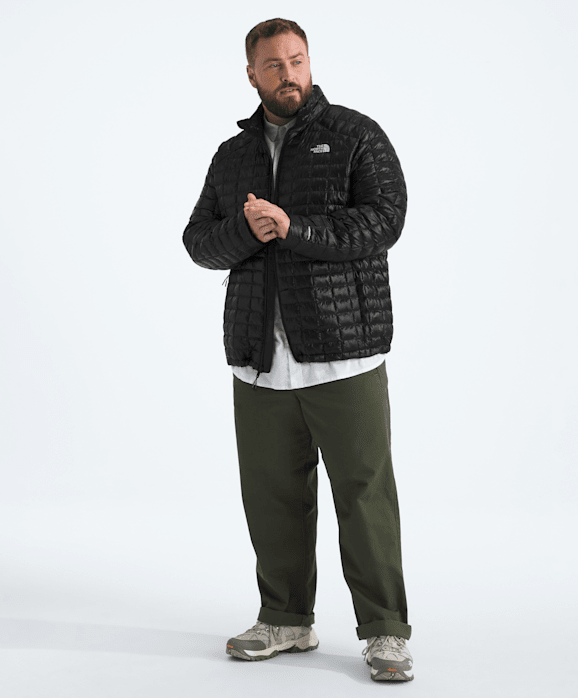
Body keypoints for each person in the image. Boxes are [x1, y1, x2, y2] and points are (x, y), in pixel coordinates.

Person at [182, 18, 414, 683]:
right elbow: (199, 242)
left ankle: (386, 631)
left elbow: (384, 220)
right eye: (273, 65)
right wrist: (249, 231)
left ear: (310, 62)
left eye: (298, 60)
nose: (289, 74)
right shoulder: (233, 156)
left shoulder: (356, 135)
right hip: (260, 357)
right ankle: (285, 618)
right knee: (272, 495)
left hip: (344, 350)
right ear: (251, 74)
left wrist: (294, 228)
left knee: (364, 495)